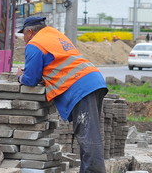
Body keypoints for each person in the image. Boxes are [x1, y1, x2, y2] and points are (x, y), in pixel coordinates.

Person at [16, 16, 108, 173]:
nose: (24, 39)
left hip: (81, 86)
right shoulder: (54, 34)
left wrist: (20, 76)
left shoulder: (35, 44)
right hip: (92, 80)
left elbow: (30, 79)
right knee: (88, 134)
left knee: (88, 137)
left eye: (24, 35)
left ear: (30, 32)